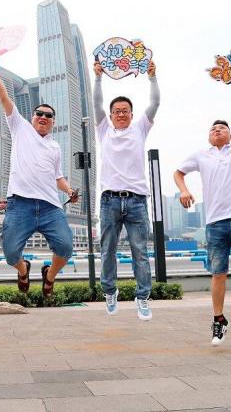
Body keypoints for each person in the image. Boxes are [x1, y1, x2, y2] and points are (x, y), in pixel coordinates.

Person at [174, 75, 231, 346]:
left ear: (230, 134)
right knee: (218, 274)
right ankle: (219, 321)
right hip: (216, 223)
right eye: (213, 128)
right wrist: (183, 190)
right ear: (208, 136)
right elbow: (178, 172)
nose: (217, 130)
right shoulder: (201, 155)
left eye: (222, 128)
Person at [0, 56, 78, 298]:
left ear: (53, 122)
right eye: (40, 113)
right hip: (20, 205)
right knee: (10, 254)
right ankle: (23, 269)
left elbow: (57, 177)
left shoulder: (55, 147)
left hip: (50, 207)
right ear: (32, 117)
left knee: (66, 247)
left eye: (49, 115)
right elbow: (4, 97)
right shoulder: (19, 127)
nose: (43, 117)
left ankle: (49, 275)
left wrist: (69, 191)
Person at [93, 60, 160, 320]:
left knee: (140, 252)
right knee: (107, 251)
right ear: (110, 116)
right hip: (109, 200)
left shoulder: (140, 129)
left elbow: (154, 103)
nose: (121, 114)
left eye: (125, 111)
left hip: (137, 201)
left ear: (132, 114)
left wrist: (152, 78)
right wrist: (98, 78)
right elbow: (97, 103)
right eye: (117, 111)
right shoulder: (104, 131)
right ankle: (110, 291)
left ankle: (142, 297)